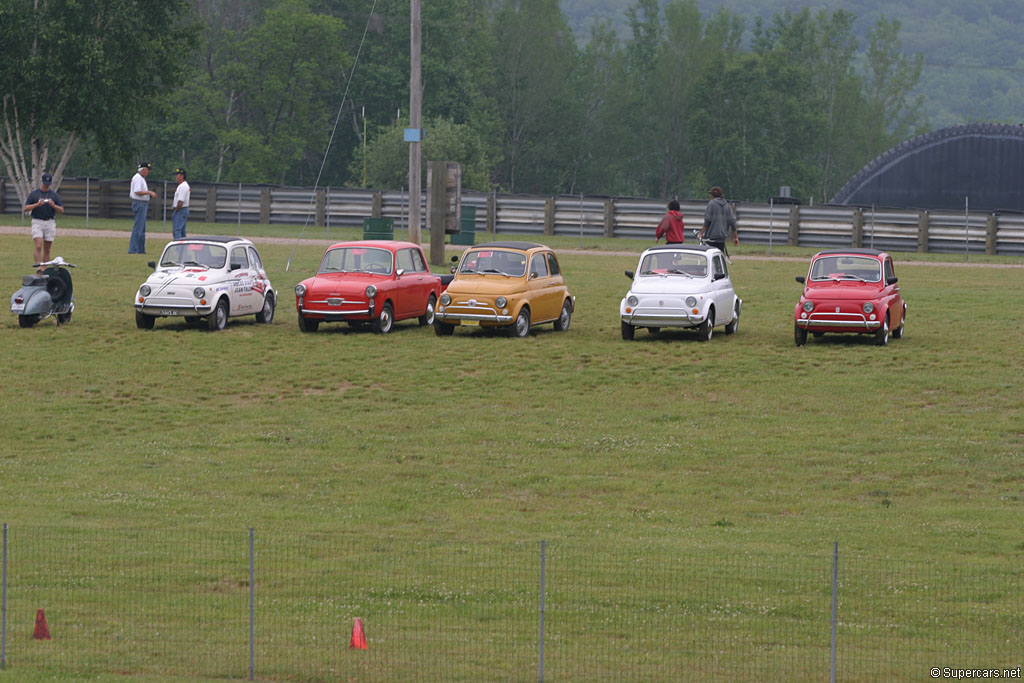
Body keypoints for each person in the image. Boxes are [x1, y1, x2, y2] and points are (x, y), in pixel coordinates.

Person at [25, 173, 64, 268]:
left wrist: (54, 205)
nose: (46, 185)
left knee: (47, 248)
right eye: (45, 183)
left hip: (49, 222)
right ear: (42, 182)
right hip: (37, 221)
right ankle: (38, 266)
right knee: (38, 245)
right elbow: (25, 208)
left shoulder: (54, 195)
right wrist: (36, 204)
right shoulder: (34, 194)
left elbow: (61, 210)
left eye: (48, 184)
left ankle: (44, 269)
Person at [699, 186, 738, 260]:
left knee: (711, 258)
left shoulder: (711, 204)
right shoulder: (727, 205)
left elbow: (707, 220)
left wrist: (701, 233)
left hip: (711, 238)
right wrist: (736, 237)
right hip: (722, 238)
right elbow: (732, 222)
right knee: (720, 258)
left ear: (712, 195)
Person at [129, 162, 157, 253]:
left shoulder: (141, 178)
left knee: (141, 227)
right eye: (147, 170)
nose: (148, 172)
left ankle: (140, 249)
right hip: (140, 203)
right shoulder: (138, 178)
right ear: (143, 170)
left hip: (142, 203)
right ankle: (133, 249)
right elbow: (137, 191)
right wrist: (149, 192)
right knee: (138, 227)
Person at [171, 167, 190, 239]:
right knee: (181, 230)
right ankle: (183, 248)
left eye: (177, 175)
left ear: (182, 176)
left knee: (177, 230)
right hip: (183, 209)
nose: (175, 177)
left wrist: (176, 210)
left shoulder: (183, 186)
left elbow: (180, 201)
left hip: (181, 209)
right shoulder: (183, 185)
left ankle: (178, 247)